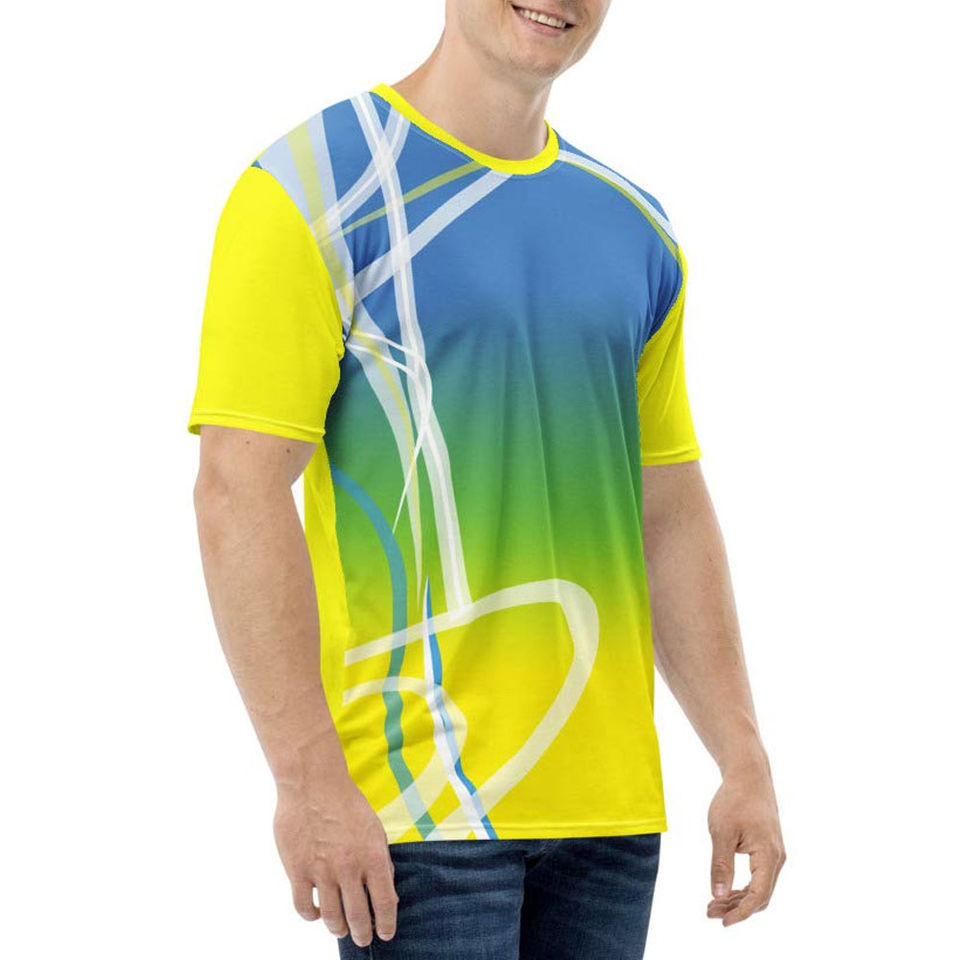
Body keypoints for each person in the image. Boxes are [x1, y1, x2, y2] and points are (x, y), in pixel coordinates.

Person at [187, 1, 786, 956]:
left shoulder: (634, 227)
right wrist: (306, 783)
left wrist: (740, 753)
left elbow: (666, 508)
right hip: (415, 808)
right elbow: (237, 490)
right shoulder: (314, 187)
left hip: (610, 816)